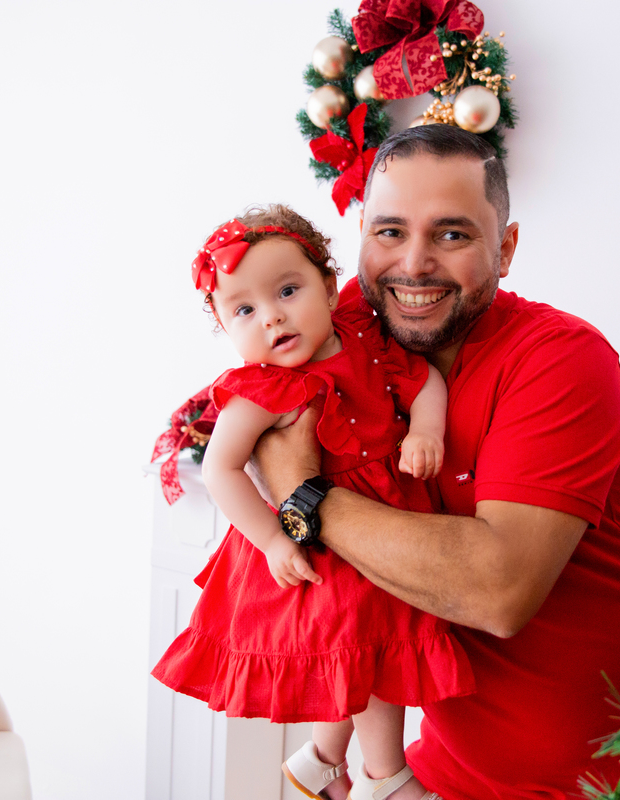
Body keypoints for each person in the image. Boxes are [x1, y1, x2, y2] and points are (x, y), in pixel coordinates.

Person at [249, 126, 620, 799]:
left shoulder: (560, 360)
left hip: (611, 779)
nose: (413, 265)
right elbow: (245, 409)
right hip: (443, 770)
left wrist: (305, 497)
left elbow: (497, 591)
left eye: (452, 235)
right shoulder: (344, 328)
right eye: (389, 232)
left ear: (504, 248)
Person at [151, 204, 473, 800]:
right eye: (244, 310)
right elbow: (221, 469)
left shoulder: (364, 339)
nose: (272, 318)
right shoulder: (261, 390)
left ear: (329, 287)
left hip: (383, 521)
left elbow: (424, 378)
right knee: (372, 657)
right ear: (225, 328)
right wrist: (272, 540)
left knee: (358, 660)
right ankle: (385, 776)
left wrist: (427, 430)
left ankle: (322, 762)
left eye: (288, 291)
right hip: (322, 540)